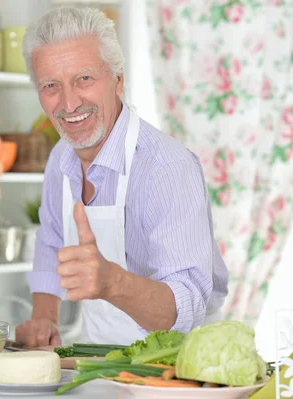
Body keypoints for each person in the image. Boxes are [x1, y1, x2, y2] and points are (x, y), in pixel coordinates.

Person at [15, 7, 229, 347]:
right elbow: (52, 242)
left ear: (118, 80)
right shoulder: (60, 160)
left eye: (84, 79)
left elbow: (186, 306)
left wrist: (111, 282)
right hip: (99, 362)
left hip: (178, 367)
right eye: (51, 85)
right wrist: (44, 318)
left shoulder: (167, 168)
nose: (69, 103)